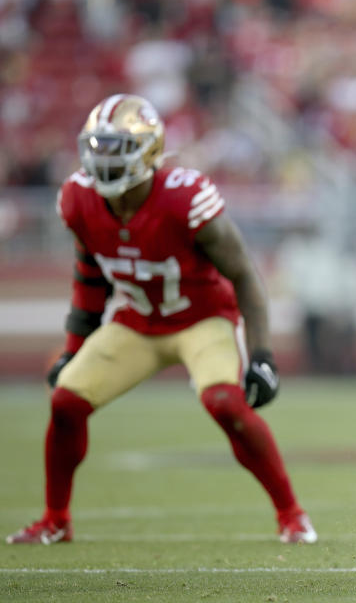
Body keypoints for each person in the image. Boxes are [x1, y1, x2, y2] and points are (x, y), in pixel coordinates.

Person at [6, 94, 317, 545]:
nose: (103, 158)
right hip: (136, 323)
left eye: (116, 147)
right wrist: (73, 350)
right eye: (98, 146)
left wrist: (263, 356)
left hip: (202, 319)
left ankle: (291, 514)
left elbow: (245, 275)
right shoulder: (77, 198)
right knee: (66, 400)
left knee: (226, 404)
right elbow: (91, 281)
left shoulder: (183, 197)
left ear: (149, 150)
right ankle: (56, 519)